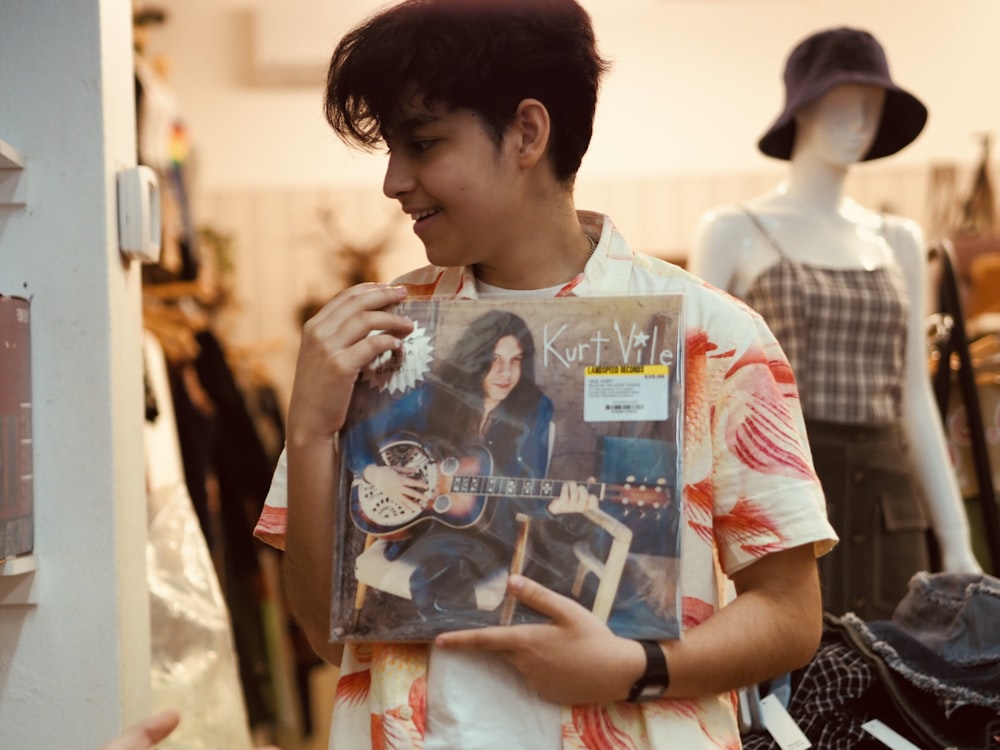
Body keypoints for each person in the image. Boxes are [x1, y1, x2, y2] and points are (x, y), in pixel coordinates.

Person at [253, 1, 838, 747]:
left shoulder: (712, 336)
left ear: (528, 132)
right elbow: (328, 635)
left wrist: (636, 666)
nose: (394, 182)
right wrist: (309, 430)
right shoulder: (382, 343)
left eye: (423, 143)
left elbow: (790, 616)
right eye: (390, 151)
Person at [689, 26, 982, 622]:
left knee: (892, 682)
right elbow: (697, 391)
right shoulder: (733, 229)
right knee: (787, 676)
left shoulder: (898, 238)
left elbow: (913, 396)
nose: (859, 122)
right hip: (783, 483)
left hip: (887, 499)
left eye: (872, 108)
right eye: (843, 103)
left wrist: (956, 539)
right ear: (803, 109)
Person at [345, 308, 593, 622]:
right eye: (494, 360)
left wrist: (553, 508)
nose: (505, 373)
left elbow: (528, 482)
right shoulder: (434, 394)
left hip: (491, 533)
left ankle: (455, 647)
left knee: (443, 575)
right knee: (439, 574)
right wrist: (376, 473)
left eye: (515, 360)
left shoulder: (536, 407)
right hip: (424, 523)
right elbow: (359, 433)